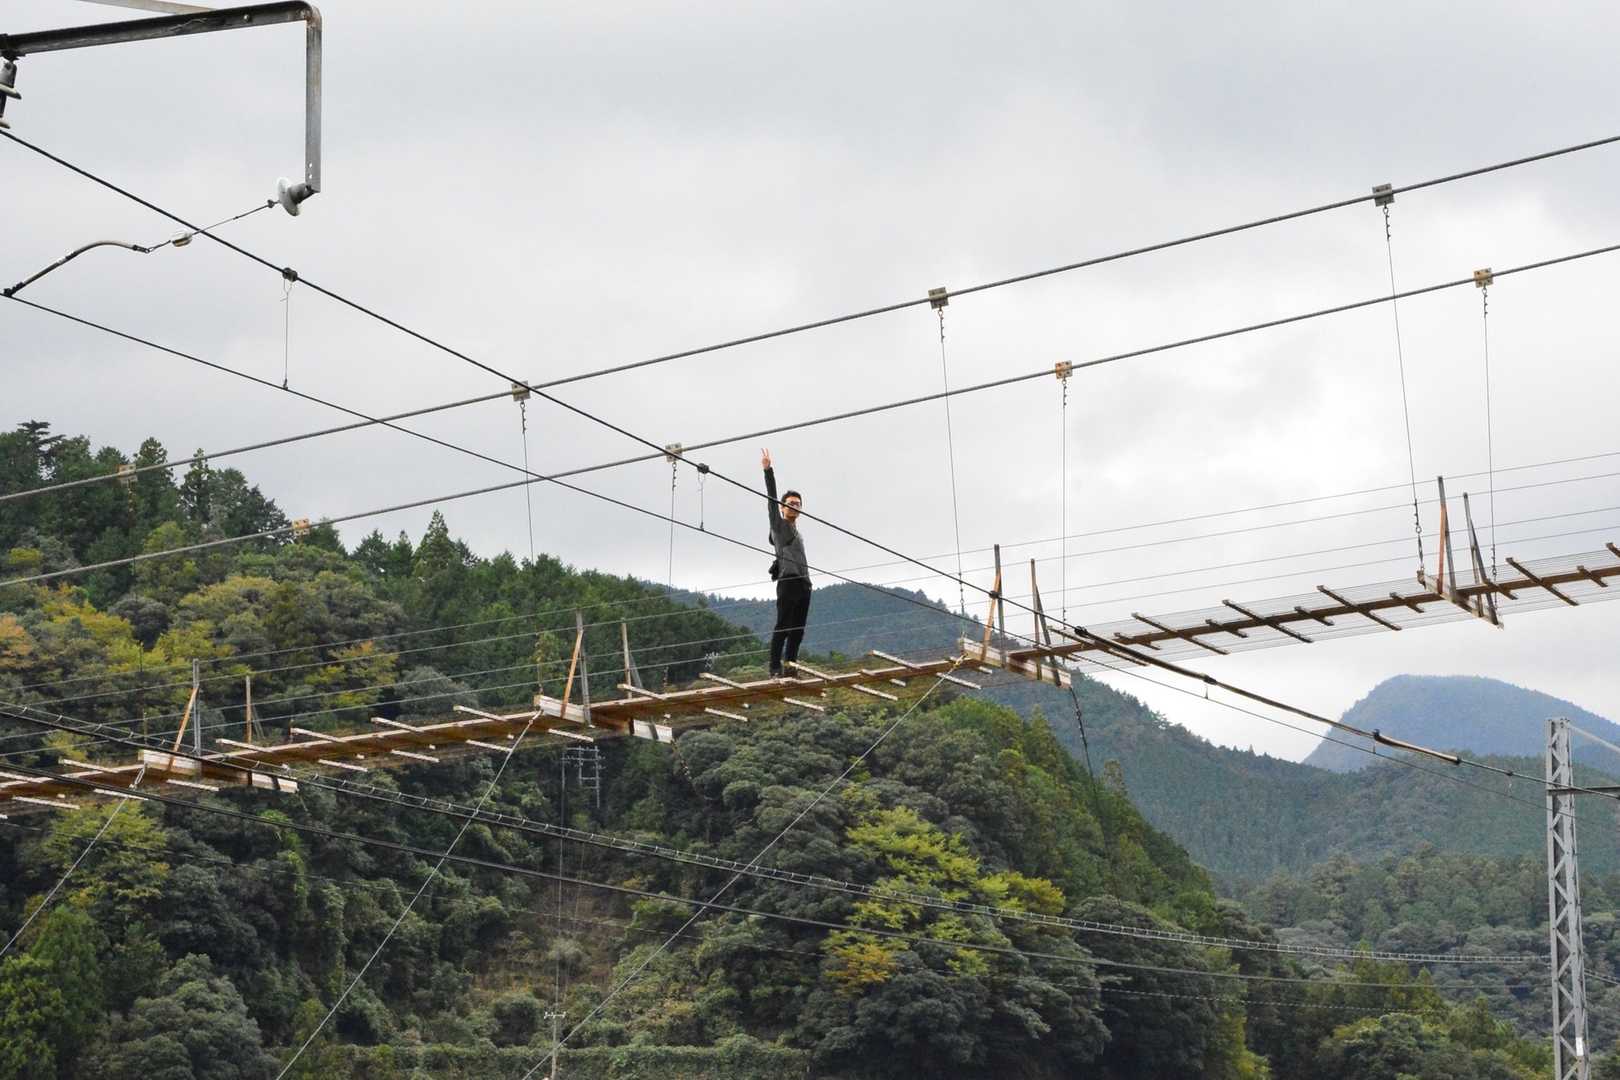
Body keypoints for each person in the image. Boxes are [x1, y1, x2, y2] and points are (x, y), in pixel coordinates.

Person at [762, 448, 810, 677]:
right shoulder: (778, 526)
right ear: (783, 507)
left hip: (804, 583)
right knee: (783, 626)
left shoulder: (798, 532)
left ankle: (790, 668)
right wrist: (768, 471)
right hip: (788, 581)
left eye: (798, 504)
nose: (795, 506)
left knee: (798, 630)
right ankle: (774, 668)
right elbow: (771, 499)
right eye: (791, 503)